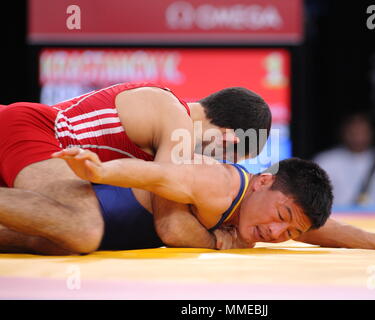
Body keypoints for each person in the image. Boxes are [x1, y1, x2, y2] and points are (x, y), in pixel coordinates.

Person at [0, 147, 375, 255]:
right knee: (82, 232)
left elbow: (322, 229)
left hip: (80, 223)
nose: (275, 234)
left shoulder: (268, 211)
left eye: (290, 233)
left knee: (59, 243)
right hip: (76, 190)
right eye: (282, 219)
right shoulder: (219, 184)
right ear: (264, 182)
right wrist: (101, 172)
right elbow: (160, 179)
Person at [0, 82, 272, 253]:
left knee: (61, 235)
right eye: (226, 159)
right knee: (84, 228)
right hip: (31, 129)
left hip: (32, 142)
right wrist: (219, 242)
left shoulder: (172, 121)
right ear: (229, 139)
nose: (213, 165)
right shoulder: (178, 126)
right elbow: (171, 226)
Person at [314, 113, 375, 205]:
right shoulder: (326, 161)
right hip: (336, 217)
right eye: (353, 133)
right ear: (343, 132)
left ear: (371, 133)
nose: (358, 138)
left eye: (362, 132)